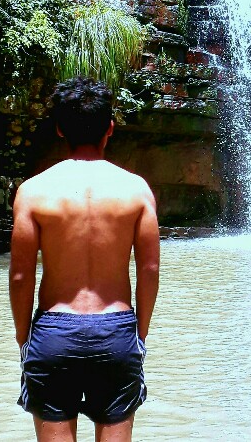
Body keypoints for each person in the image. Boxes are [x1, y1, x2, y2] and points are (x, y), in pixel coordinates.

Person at [9, 77, 160, 442]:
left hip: (53, 333)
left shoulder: (33, 191)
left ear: (60, 129)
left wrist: (24, 338)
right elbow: (150, 269)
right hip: (116, 332)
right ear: (110, 128)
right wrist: (139, 335)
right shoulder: (137, 190)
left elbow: (20, 276)